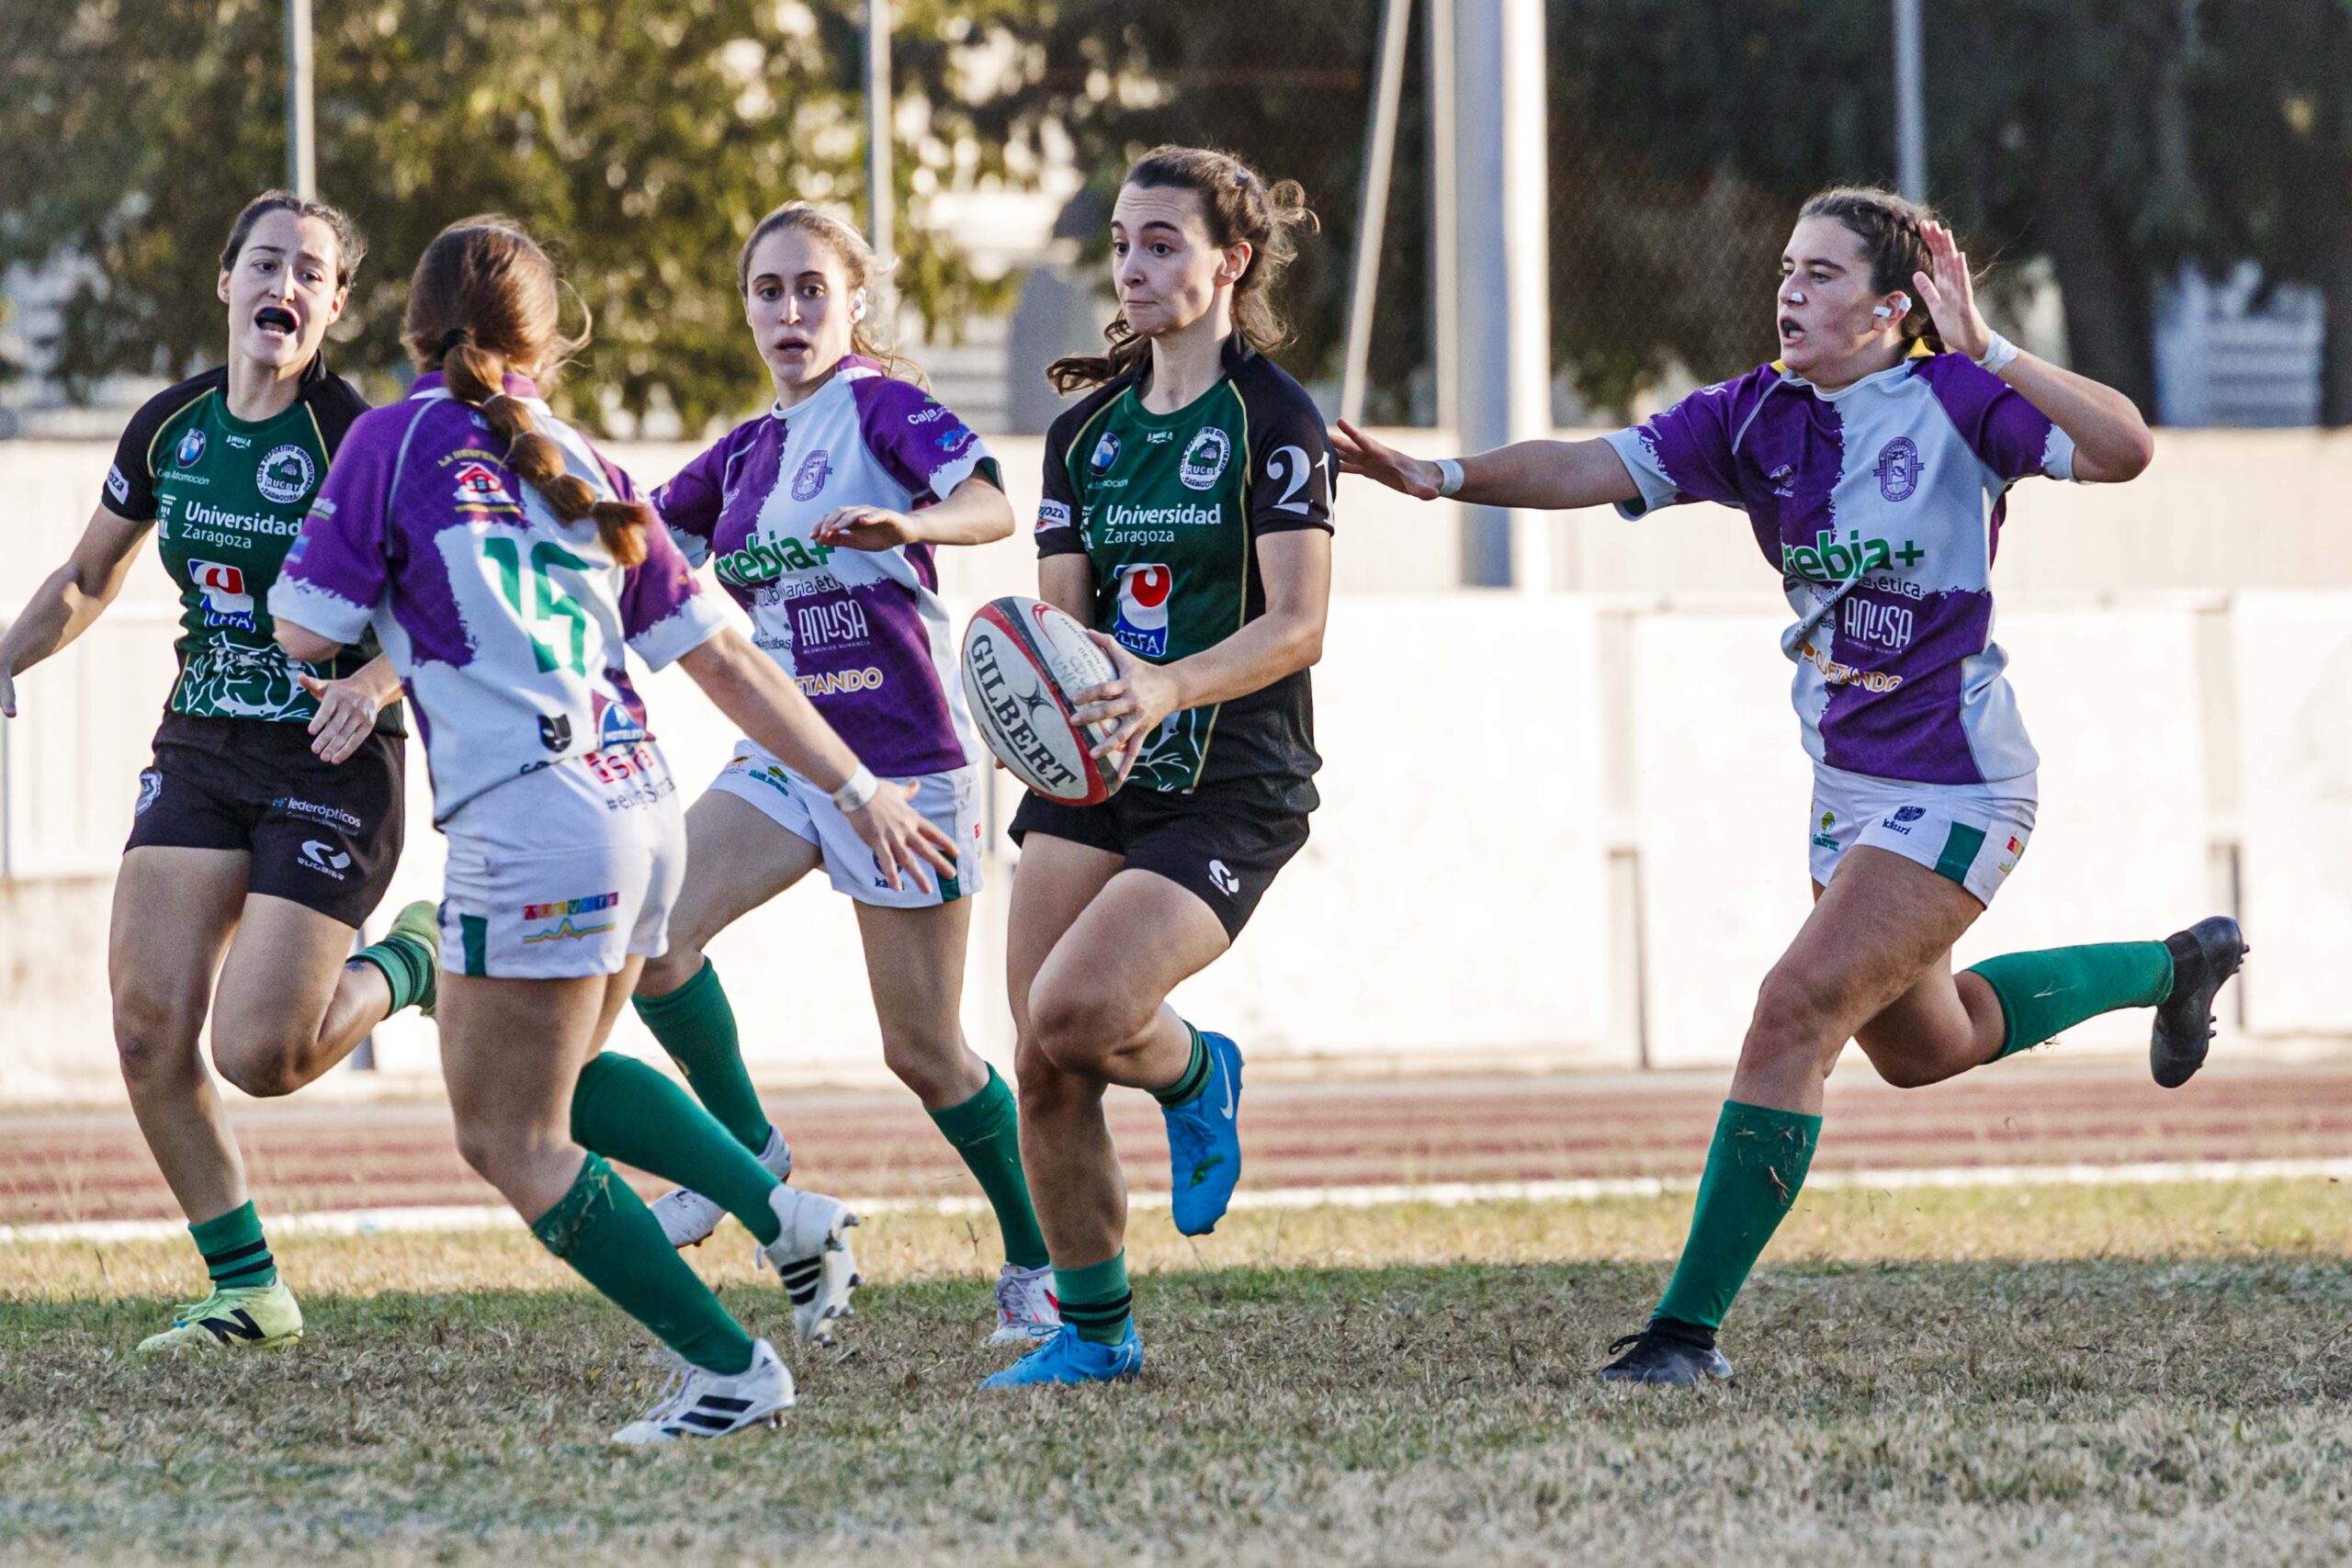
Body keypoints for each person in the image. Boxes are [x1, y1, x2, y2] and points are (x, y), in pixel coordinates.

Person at [1333, 186, 2247, 1386]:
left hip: (1961, 783)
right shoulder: (1757, 413)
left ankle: (1683, 1334)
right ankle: (2175, 964)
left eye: (1820, 273)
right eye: (1786, 267)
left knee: (1792, 1013)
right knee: (1932, 1042)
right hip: (1848, 790)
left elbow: (2127, 448)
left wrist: (1995, 347)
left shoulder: (1960, 398)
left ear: (1892, 303)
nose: (1790, 291)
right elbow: (1589, 460)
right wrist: (1435, 474)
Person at [270, 216, 959, 1443]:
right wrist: (856, 785)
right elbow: (728, 661)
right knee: (572, 1081)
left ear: (416, 329)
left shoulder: (391, 437)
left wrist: (377, 598)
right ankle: (779, 1208)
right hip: (643, 803)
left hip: (532, 821)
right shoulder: (579, 458)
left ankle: (730, 1367)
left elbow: (308, 630)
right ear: (551, 337)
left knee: (505, 1133)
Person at [0, 191, 438, 1355]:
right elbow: (91, 574)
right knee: (148, 1031)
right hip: (200, 747)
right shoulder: (168, 426)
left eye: (310, 273)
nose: (283, 287)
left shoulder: (357, 436)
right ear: (227, 283)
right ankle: (247, 1286)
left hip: (333, 758)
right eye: (265, 263)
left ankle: (413, 961)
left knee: (262, 1056)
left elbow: (442, 594)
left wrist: (375, 685)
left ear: (336, 307)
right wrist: (7, 654)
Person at [634, 204, 1057, 1346]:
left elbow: (993, 502)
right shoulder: (745, 451)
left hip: (907, 763)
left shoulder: (876, 406)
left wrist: (911, 521)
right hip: (783, 755)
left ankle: (1038, 1257)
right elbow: (637, 539)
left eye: (809, 288)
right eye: (767, 291)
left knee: (923, 1052)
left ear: (853, 301)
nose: (787, 312)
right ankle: (746, 1159)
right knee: (654, 933)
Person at [982, 146, 1334, 1390]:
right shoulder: (1083, 434)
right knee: (1040, 1051)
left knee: (1081, 1010)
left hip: (1232, 773)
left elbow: (1299, 624)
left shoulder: (1274, 418)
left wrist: (1172, 683)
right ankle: (1096, 1330)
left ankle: (1196, 1068)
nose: (1133, 265)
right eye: (1125, 242)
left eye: (1163, 243)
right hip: (1097, 768)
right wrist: (1027, 682)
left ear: (1230, 261)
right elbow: (1059, 630)